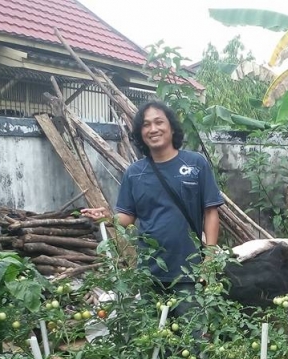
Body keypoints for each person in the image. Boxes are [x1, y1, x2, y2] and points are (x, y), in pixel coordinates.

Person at [82, 100, 224, 315]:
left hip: (189, 270)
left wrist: (210, 257)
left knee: (191, 341)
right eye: (146, 125)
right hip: (149, 273)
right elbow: (127, 217)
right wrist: (107, 218)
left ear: (171, 127)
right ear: (140, 133)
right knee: (155, 343)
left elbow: (211, 211)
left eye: (159, 122)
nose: (153, 129)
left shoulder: (195, 164)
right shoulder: (135, 173)